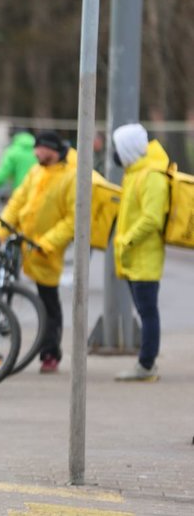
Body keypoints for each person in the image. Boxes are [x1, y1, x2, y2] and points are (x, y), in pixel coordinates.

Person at [0, 130, 76, 374]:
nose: (35, 153)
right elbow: (17, 203)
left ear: (52, 150)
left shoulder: (70, 177)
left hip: (45, 250)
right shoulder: (36, 172)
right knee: (3, 283)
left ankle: (50, 353)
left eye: (40, 149)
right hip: (22, 243)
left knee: (48, 301)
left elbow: (72, 219)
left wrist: (47, 243)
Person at [111, 123, 170, 382]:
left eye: (117, 147)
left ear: (129, 148)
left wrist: (127, 241)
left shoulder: (152, 176)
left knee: (148, 312)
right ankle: (145, 363)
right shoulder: (135, 172)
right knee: (145, 310)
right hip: (135, 256)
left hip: (144, 256)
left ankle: (146, 365)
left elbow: (152, 218)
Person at [0, 128, 37, 195]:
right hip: (38, 191)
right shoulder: (38, 150)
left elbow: (2, 173)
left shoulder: (13, 152)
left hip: (20, 192)